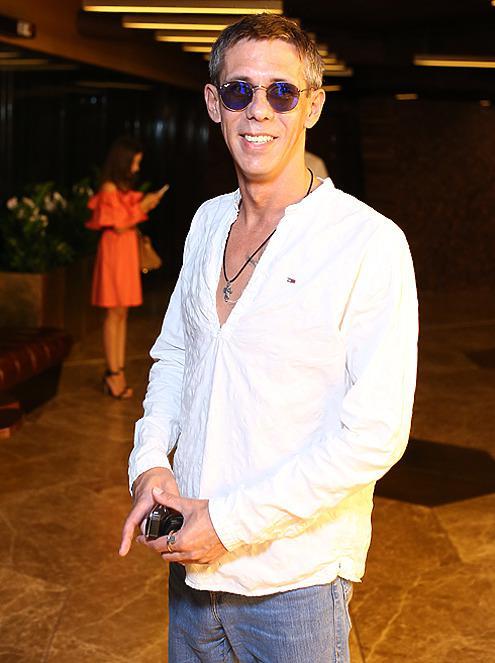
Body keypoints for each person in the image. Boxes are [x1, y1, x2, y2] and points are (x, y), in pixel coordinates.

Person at [120, 14, 418, 662]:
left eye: (281, 92)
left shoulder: (367, 243)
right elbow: (176, 355)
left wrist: (229, 523)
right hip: (190, 570)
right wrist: (150, 462)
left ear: (312, 105)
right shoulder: (207, 223)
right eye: (239, 91)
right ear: (213, 103)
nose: (258, 111)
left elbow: (375, 434)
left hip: (294, 585)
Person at [86, 136, 165, 399]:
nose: (136, 167)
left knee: (122, 313)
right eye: (134, 162)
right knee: (113, 313)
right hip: (114, 250)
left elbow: (127, 217)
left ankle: (116, 370)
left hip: (126, 249)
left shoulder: (121, 189)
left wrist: (145, 204)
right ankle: (113, 372)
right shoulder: (109, 188)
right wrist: (142, 206)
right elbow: (119, 224)